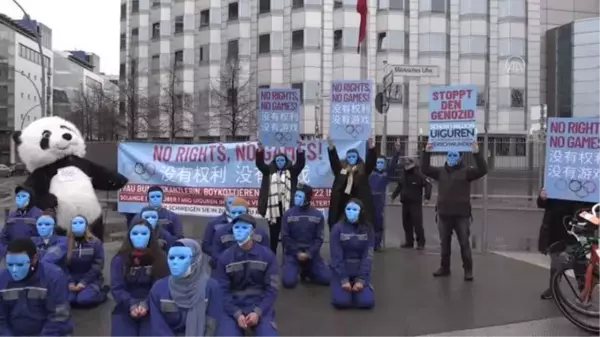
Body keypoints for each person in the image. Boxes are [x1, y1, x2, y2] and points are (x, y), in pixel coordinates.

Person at [421, 142, 488, 281]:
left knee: (464, 243)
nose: (451, 157)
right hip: (444, 214)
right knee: (444, 244)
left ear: (459, 158)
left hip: (461, 215)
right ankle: (445, 268)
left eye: (454, 155)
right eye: (449, 155)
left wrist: (477, 153)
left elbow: (483, 170)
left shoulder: (466, 172)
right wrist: (426, 152)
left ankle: (468, 270)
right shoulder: (440, 172)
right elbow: (425, 168)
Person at [214, 214, 279, 337]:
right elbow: (222, 291)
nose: (239, 231)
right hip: (233, 306)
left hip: (259, 304)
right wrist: (236, 314)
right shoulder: (225, 258)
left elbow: (272, 288)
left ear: (252, 231)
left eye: (244, 228)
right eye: (236, 227)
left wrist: (258, 312)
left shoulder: (267, 256)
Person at [0, 238, 73, 336]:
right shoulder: (2, 279)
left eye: (20, 264)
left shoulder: (54, 277)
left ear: (34, 258)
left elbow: (59, 316)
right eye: (10, 264)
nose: (14, 270)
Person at [149, 239, 222, 337]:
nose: (175, 262)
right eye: (171, 258)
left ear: (195, 260)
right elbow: (159, 327)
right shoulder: (158, 289)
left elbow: (213, 324)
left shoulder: (211, 287)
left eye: (182, 257)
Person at [110, 219, 169, 337]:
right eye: (135, 234)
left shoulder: (161, 258)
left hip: (153, 305)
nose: (139, 237)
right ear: (129, 236)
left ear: (151, 236)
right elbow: (117, 287)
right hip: (125, 306)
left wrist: (146, 304)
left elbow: (160, 286)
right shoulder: (119, 259)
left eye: (144, 234)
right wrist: (131, 304)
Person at [536, 188, 593, 300]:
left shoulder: (586, 179)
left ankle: (584, 291)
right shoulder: (556, 176)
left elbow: (593, 203)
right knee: (555, 258)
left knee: (579, 260)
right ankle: (554, 288)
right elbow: (542, 203)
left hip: (577, 225)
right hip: (555, 225)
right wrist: (542, 197)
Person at [256, 141, 306, 253]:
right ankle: (272, 256)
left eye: (282, 160)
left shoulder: (292, 171)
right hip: (273, 209)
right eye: (278, 160)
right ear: (274, 162)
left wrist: (299, 149)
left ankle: (287, 258)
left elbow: (300, 164)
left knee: (287, 235)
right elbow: (260, 164)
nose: (280, 162)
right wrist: (260, 151)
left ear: (286, 161)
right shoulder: (268, 171)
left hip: (288, 207)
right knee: (273, 235)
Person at [280, 184, 330, 288]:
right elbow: (285, 237)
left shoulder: (317, 215)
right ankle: (295, 267)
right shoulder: (288, 214)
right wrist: (297, 252)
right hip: (292, 254)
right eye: (296, 195)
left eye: (300, 196)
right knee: (288, 282)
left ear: (307, 198)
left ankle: (307, 271)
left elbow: (319, 239)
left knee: (328, 279)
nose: (296, 198)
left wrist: (309, 254)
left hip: (311, 254)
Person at [329, 199, 375, 309]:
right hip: (342, 270)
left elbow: (368, 255)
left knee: (366, 303)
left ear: (361, 212)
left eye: (355, 209)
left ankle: (362, 289)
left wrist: (361, 279)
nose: (351, 212)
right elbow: (336, 256)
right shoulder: (337, 229)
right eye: (348, 209)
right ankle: (342, 289)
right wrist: (344, 279)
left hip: (360, 269)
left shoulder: (368, 229)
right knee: (341, 302)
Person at [327, 136, 377, 231]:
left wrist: (371, 148)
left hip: (360, 201)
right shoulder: (342, 170)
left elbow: (371, 162)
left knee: (361, 222)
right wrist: (331, 148)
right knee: (341, 221)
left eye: (353, 156)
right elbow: (334, 162)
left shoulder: (363, 169)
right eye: (349, 157)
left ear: (357, 157)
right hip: (343, 201)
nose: (351, 159)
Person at [66, 215, 108, 308]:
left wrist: (84, 282)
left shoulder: (95, 242)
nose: (78, 225)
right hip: (72, 277)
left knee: (83, 300)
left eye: (81, 223)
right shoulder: (65, 243)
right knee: (70, 300)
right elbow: (63, 266)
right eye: (75, 223)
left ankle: (102, 293)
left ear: (86, 226)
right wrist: (70, 281)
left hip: (91, 278)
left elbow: (98, 264)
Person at [212, 197, 270, 264]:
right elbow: (216, 256)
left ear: (247, 212)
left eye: (240, 212)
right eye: (233, 212)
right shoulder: (220, 233)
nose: (236, 215)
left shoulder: (261, 233)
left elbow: (267, 256)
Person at [391, 157, 432, 250]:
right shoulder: (403, 175)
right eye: (405, 164)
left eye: (408, 164)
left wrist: (427, 197)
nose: (406, 166)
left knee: (417, 223)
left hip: (415, 203)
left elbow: (428, 184)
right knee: (406, 223)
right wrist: (393, 196)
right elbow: (399, 186)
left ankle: (421, 242)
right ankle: (409, 242)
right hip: (405, 202)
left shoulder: (418, 175)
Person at [368, 140, 401, 250]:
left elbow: (393, 165)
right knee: (368, 223)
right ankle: (368, 243)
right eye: (378, 163)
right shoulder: (370, 173)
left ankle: (377, 244)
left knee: (378, 223)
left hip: (379, 201)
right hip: (368, 199)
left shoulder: (386, 174)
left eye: (382, 163)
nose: (380, 165)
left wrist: (396, 152)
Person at [0, 186, 42, 259]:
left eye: (23, 196)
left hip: (31, 254)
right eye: (18, 196)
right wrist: (6, 251)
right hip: (12, 253)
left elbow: (43, 237)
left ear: (30, 198)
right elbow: (3, 236)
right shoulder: (11, 215)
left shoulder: (39, 214)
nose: (20, 198)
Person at [202, 195, 235, 267]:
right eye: (230, 203)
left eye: (235, 203)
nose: (233, 205)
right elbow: (205, 246)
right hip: (217, 264)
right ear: (225, 204)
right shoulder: (214, 223)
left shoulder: (244, 224)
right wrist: (221, 256)